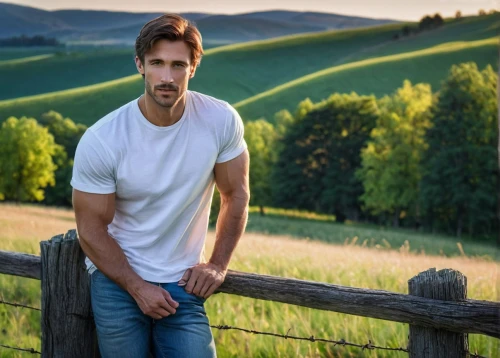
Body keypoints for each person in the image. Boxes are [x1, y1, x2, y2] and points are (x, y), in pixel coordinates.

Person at [71, 13, 250, 358]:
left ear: (193, 68)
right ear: (140, 64)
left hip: (183, 283)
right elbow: (90, 228)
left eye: (178, 65)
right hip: (116, 281)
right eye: (157, 63)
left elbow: (236, 194)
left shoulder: (220, 120)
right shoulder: (103, 139)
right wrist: (136, 286)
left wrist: (217, 264)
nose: (167, 77)